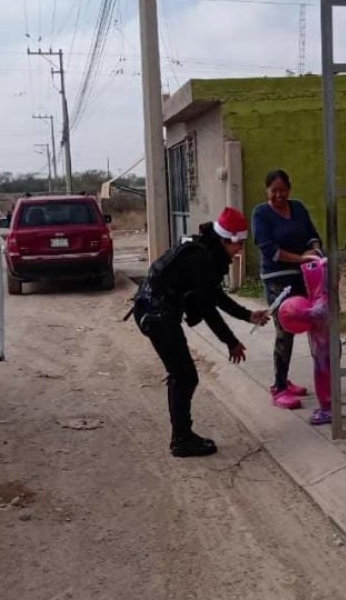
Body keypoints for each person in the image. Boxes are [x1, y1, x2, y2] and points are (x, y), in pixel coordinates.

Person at [131, 207, 270, 457]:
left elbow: (213, 294)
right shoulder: (201, 258)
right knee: (184, 376)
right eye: (239, 245)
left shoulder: (206, 252)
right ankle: (182, 439)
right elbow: (207, 308)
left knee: (182, 374)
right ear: (228, 239)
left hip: (158, 311)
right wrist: (231, 341)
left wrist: (248, 315)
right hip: (157, 314)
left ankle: (182, 436)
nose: (239, 251)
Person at [251, 169, 323, 410]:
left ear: (289, 190)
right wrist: (301, 258)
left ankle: (291, 380)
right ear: (266, 191)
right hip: (277, 279)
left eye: (283, 190)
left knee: (315, 324)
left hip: (306, 275)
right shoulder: (261, 213)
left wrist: (314, 250)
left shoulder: (299, 208)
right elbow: (269, 249)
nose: (279, 195)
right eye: (274, 191)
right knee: (285, 329)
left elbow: (312, 235)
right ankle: (279, 387)